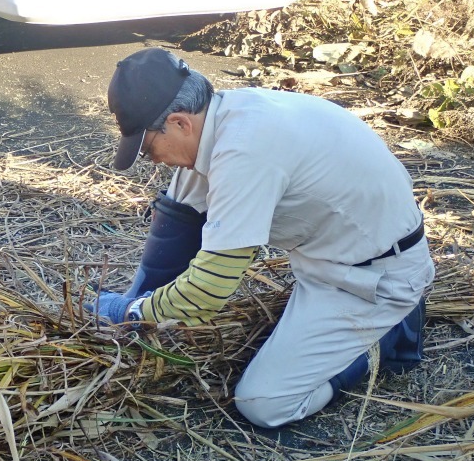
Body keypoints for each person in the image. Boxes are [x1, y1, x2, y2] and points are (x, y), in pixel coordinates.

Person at [89, 47, 435, 429]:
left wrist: (131, 315)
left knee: (263, 403)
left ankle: (386, 339)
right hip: (330, 256)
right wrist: (136, 310)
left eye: (149, 147)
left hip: (372, 280)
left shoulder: (245, 152)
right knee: (185, 184)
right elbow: (178, 219)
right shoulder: (226, 116)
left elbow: (209, 290)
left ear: (179, 122)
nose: (151, 159)